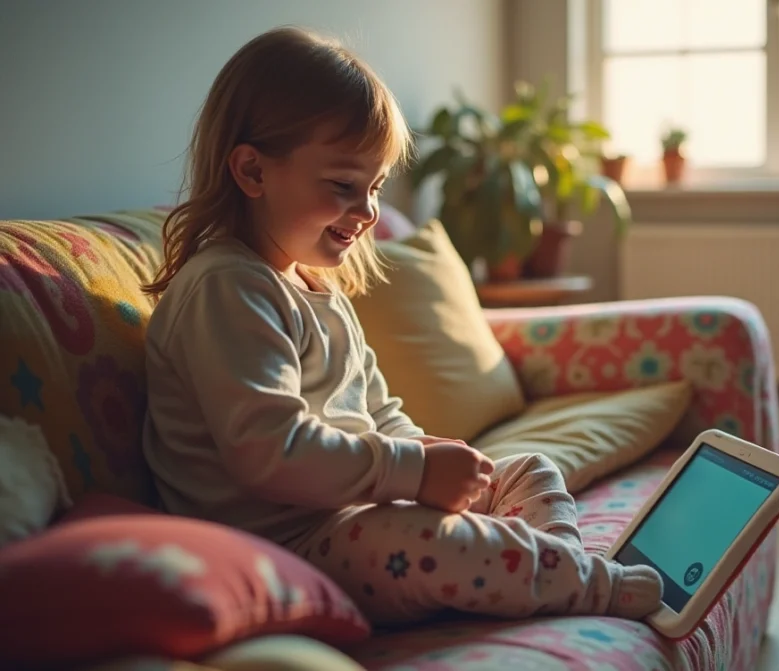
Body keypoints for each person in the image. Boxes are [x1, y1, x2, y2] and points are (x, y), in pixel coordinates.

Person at [139, 25, 662, 626]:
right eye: (343, 186)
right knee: (427, 539)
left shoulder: (313, 287)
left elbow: (379, 413)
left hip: (348, 513)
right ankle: (577, 583)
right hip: (284, 547)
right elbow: (270, 451)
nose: (367, 212)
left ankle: (552, 572)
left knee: (527, 467)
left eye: (375, 188)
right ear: (252, 172)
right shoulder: (226, 288)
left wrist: (428, 455)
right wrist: (408, 472)